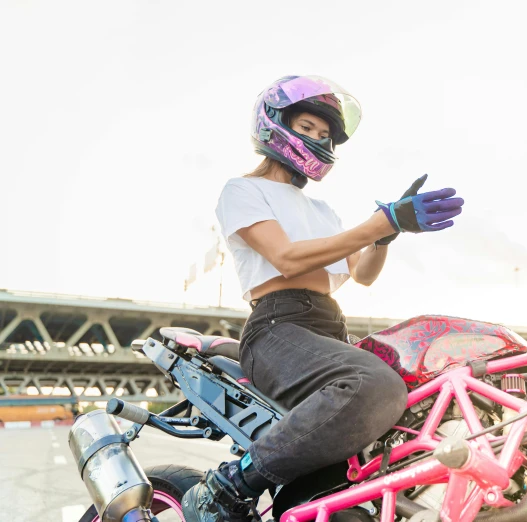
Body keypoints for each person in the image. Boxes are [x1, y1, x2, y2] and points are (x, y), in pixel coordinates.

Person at [182, 75, 465, 522]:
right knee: (374, 385)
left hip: (329, 328)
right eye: (309, 127)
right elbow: (287, 259)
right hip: (278, 329)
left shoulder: (324, 211)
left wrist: (387, 235)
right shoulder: (243, 190)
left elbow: (362, 274)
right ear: (275, 123)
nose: (318, 139)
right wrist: (378, 221)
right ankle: (230, 484)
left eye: (325, 135)